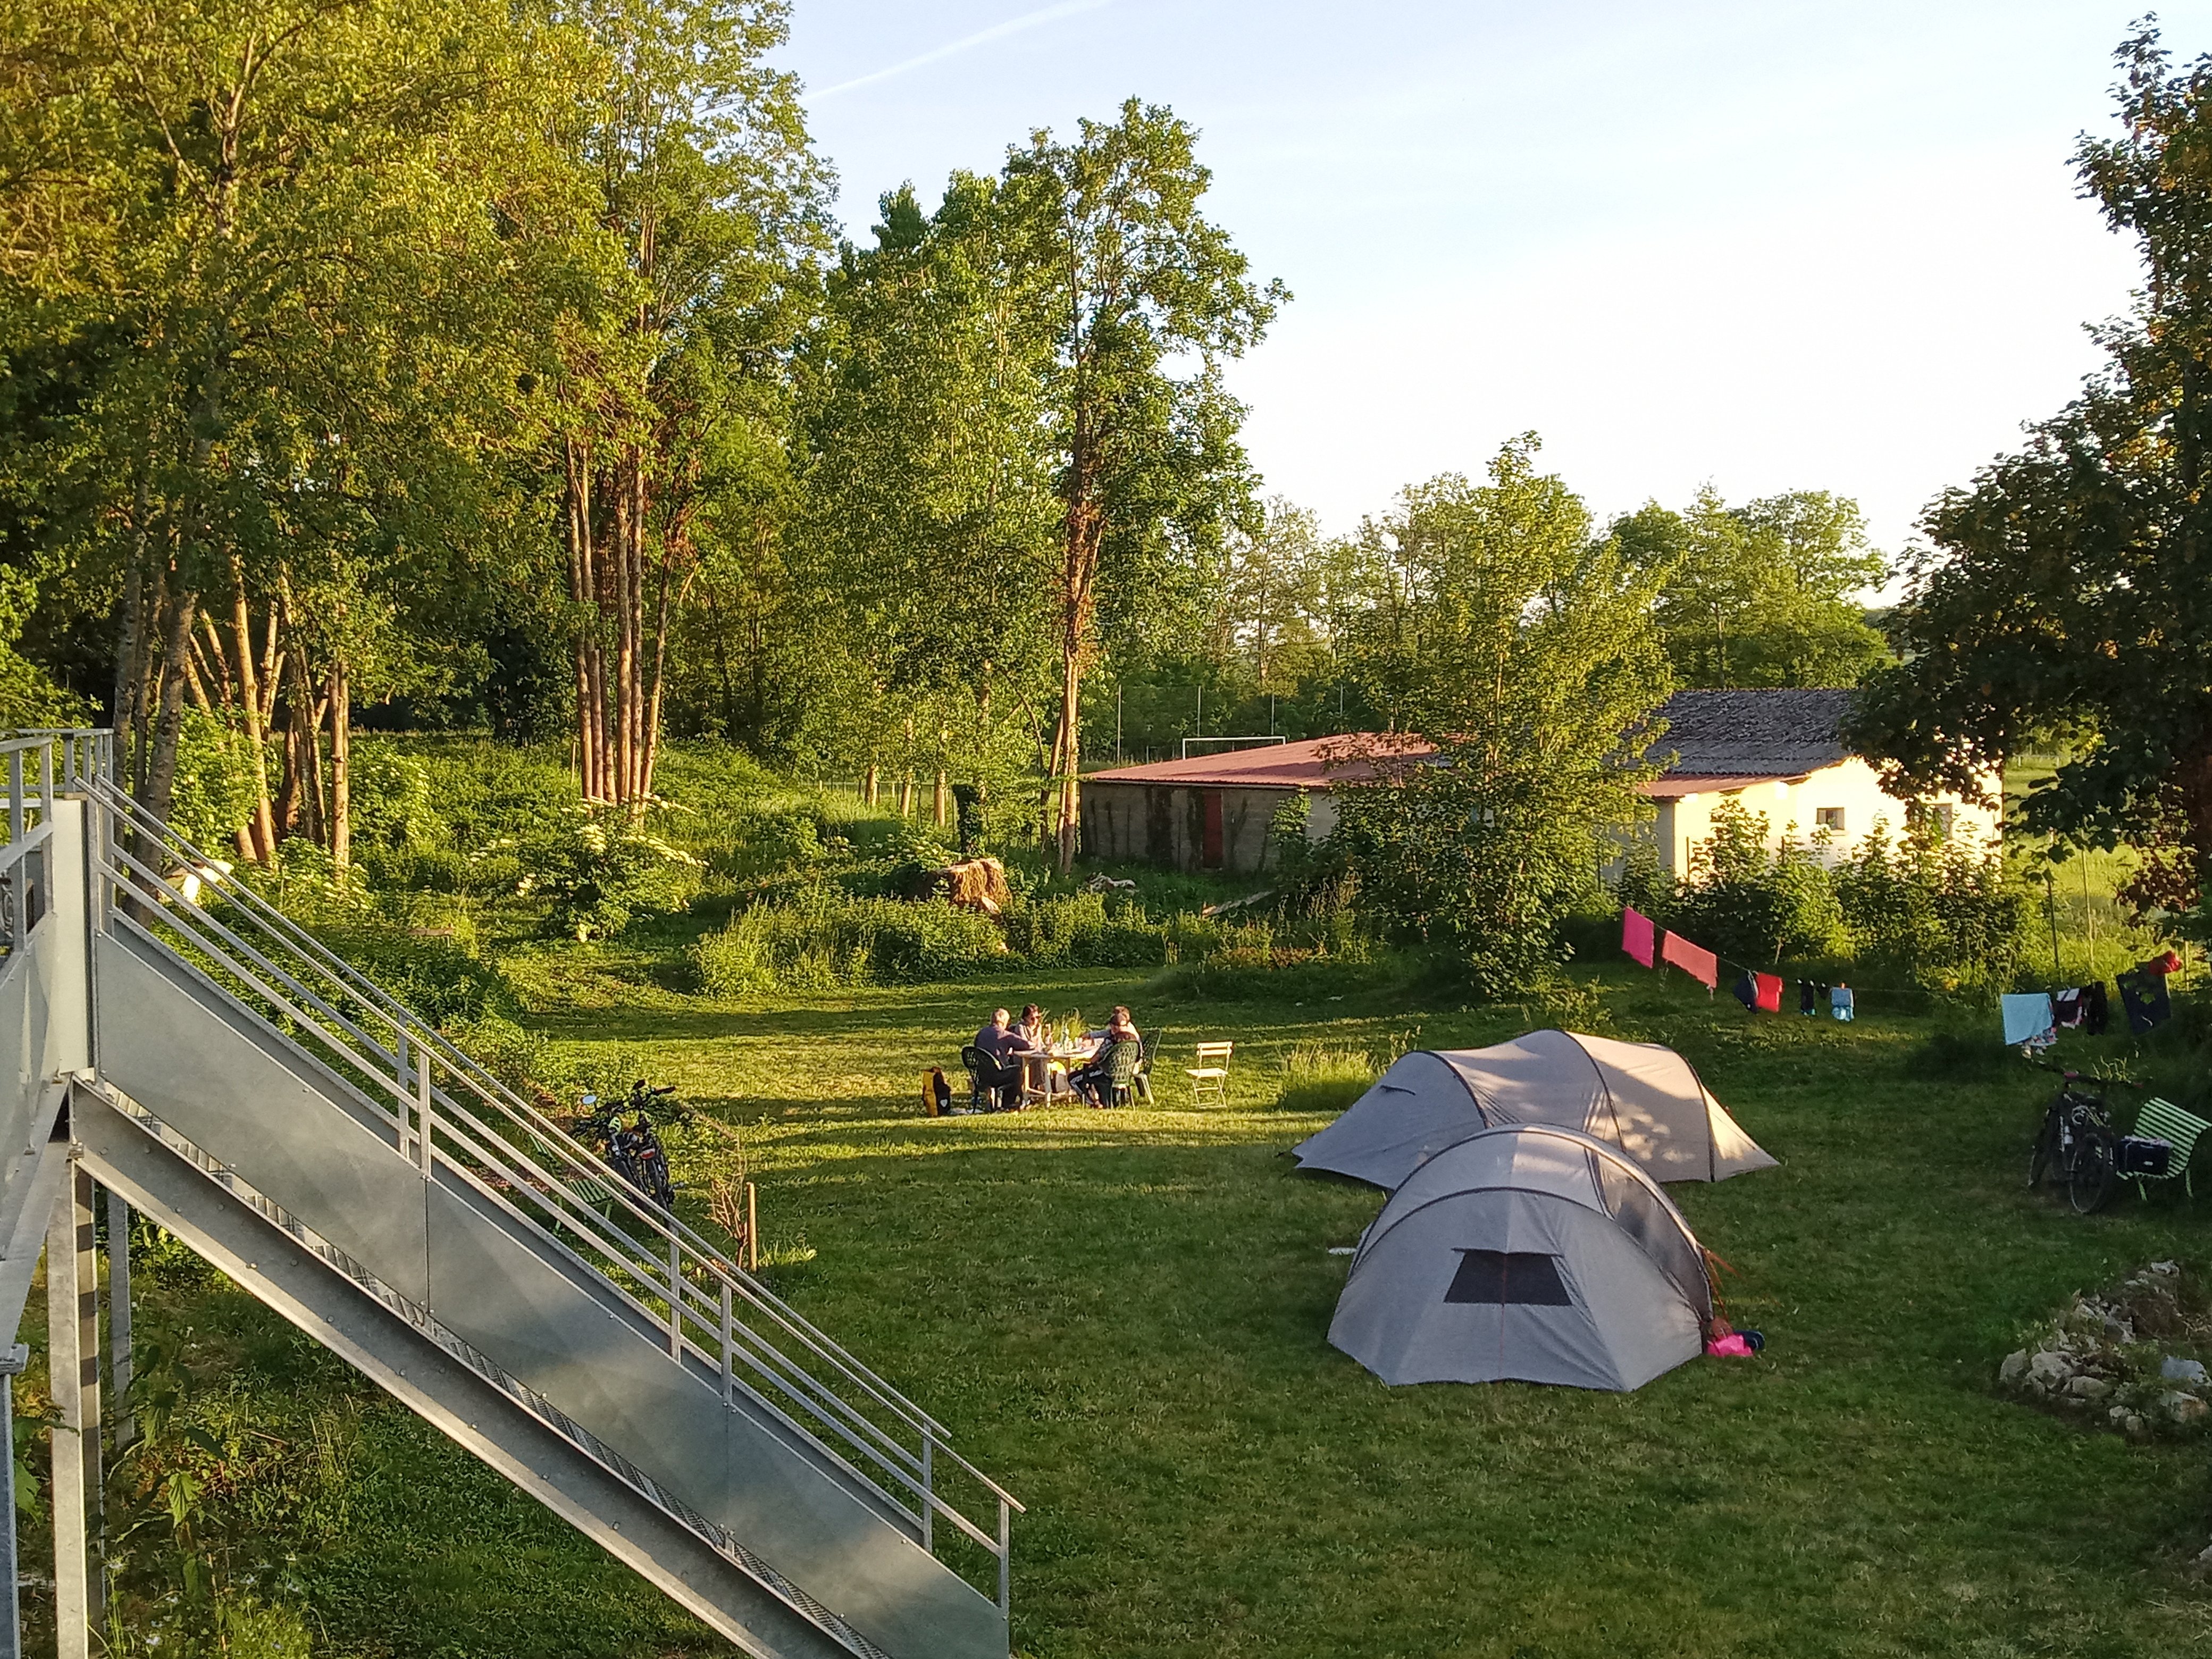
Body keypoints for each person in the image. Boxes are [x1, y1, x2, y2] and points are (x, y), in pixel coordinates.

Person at [1072, 1006, 1142, 1107]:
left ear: (1113, 1027)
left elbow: (1095, 1059)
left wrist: (1089, 1062)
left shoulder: (1111, 1041)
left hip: (1107, 1074)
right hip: (1126, 1073)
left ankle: (1094, 1103)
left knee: (1073, 1078)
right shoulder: (1133, 1039)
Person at [971, 1008, 1033, 1109]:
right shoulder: (1004, 1035)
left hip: (981, 1076)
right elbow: (1026, 1045)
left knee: (1009, 1069)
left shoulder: (981, 1033)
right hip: (997, 1076)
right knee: (1016, 1071)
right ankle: (1008, 1103)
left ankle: (1000, 1103)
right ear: (1004, 1022)